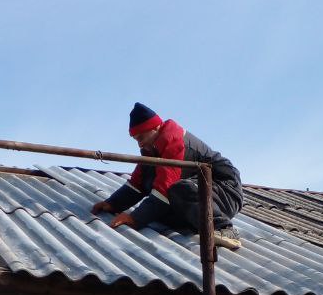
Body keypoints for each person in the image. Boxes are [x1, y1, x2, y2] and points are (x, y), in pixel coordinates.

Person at [91, 103, 243, 250]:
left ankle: (225, 229)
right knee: (157, 206)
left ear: (155, 128)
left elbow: (164, 188)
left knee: (177, 190)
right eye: (136, 140)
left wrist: (135, 219)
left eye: (141, 138)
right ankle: (197, 221)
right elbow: (138, 184)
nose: (140, 145)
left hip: (226, 192)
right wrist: (112, 204)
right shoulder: (153, 151)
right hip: (203, 196)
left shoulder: (173, 141)